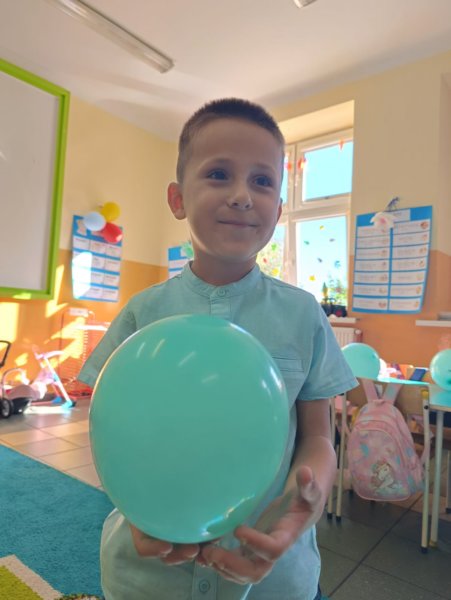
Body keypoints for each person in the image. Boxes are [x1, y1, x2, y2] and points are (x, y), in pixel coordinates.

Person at [78, 97, 357, 600]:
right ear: (177, 198)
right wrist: (137, 506)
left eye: (262, 181)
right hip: (147, 579)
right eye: (219, 174)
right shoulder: (142, 313)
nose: (242, 196)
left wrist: (304, 503)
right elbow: (110, 428)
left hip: (276, 577)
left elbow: (319, 436)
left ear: (279, 208)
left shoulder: (303, 314)